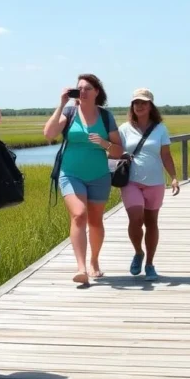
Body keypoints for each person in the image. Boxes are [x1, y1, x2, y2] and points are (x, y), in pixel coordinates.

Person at [43, 74, 123, 283]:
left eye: (87, 88)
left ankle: (94, 261)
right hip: (70, 174)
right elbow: (49, 134)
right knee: (79, 215)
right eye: (79, 89)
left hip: (99, 176)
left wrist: (104, 144)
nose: (83, 92)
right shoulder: (69, 113)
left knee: (95, 221)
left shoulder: (106, 117)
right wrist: (61, 105)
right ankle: (81, 268)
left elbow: (118, 151)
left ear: (97, 91)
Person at [118, 89, 181, 281]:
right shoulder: (124, 128)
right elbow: (115, 151)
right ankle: (138, 252)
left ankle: (150, 264)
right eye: (136, 103)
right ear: (132, 106)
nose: (140, 106)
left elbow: (166, 155)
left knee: (151, 222)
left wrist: (174, 177)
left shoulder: (160, 128)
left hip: (155, 182)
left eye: (144, 103)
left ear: (151, 106)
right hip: (131, 181)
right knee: (135, 219)